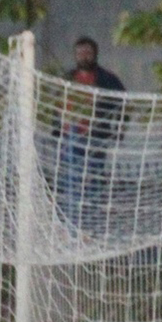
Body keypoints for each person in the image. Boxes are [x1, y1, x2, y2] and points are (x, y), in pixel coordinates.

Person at [57, 37, 126, 230]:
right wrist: (58, 128)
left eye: (87, 53)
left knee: (94, 180)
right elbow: (57, 104)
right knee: (71, 179)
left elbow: (122, 102)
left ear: (95, 54)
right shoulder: (68, 78)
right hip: (71, 135)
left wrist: (117, 129)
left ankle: (90, 227)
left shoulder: (107, 80)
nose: (83, 57)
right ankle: (71, 227)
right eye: (80, 53)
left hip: (96, 137)